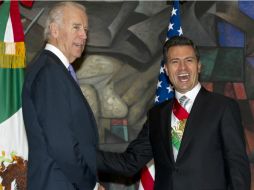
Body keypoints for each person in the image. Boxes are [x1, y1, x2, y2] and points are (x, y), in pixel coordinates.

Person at [97, 36, 251, 190]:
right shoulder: (157, 115)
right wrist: (81, 153)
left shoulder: (223, 108)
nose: (182, 68)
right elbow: (129, 162)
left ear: (199, 66)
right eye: (175, 62)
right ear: (166, 69)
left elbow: (238, 168)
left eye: (189, 60)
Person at [22, 2, 101, 190]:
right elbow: (62, 145)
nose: (84, 35)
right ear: (54, 30)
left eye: (85, 30)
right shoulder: (50, 73)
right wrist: (90, 185)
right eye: (76, 27)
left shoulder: (54, 69)